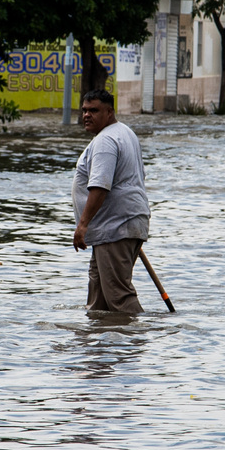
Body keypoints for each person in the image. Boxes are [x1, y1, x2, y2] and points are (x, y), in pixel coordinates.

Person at [72, 88, 150, 314]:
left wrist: (83, 225)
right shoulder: (124, 132)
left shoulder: (106, 140)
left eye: (94, 110)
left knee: (118, 296)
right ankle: (101, 345)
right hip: (119, 226)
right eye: (84, 110)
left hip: (116, 227)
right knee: (99, 300)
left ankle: (136, 342)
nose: (87, 115)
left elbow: (100, 186)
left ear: (109, 112)